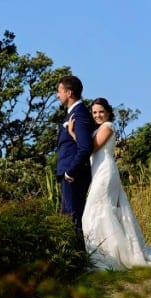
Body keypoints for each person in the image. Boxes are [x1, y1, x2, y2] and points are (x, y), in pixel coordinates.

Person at [69, 97, 151, 271]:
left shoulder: (108, 127)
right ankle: (107, 255)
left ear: (108, 112)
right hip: (99, 172)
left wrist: (73, 134)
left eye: (101, 112)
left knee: (95, 213)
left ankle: (110, 258)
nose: (98, 115)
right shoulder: (99, 128)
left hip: (106, 173)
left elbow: (92, 148)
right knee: (100, 213)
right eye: (94, 112)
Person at [55, 75, 96, 239]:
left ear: (69, 92)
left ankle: (77, 259)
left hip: (74, 175)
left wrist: (70, 172)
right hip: (69, 174)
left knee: (73, 218)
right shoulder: (73, 114)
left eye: (59, 91)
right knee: (68, 216)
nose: (58, 95)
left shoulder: (79, 115)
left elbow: (85, 147)